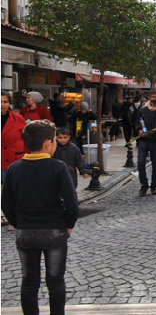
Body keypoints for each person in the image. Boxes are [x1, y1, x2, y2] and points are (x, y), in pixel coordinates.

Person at [1, 120, 79, 315]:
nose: (55, 143)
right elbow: (71, 202)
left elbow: (6, 204)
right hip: (54, 230)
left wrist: (18, 224)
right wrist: (68, 225)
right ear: (47, 143)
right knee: (55, 280)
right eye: (54, 140)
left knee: (29, 281)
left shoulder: (14, 168)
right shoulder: (58, 167)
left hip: (25, 231)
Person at [2, 90, 26, 184]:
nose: (2, 105)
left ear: (9, 103)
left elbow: (27, 139)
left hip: (14, 162)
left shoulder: (18, 118)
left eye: (5, 102)